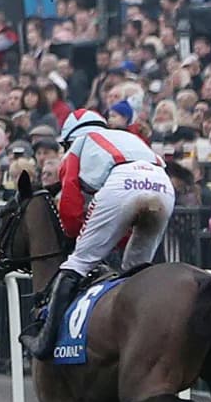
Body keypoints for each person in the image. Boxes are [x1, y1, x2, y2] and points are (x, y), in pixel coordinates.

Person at [41, 100, 173, 346]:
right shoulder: (124, 138)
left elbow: (69, 203)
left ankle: (47, 340)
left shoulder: (77, 147)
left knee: (78, 263)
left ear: (69, 139)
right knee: (136, 269)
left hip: (122, 183)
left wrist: (73, 236)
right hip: (162, 184)